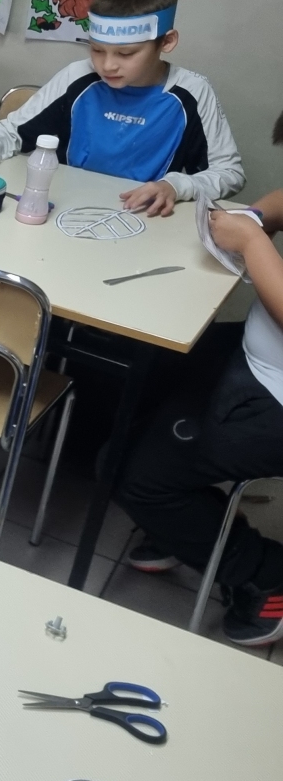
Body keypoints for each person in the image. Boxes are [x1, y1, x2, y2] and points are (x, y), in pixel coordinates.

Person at [116, 144, 283, 646]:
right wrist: (254, 218)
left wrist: (252, 242)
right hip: (256, 356)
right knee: (138, 377)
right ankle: (189, 528)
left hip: (273, 396)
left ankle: (266, 575)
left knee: (137, 479)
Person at [0, 0, 242, 217]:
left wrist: (175, 186)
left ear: (167, 42)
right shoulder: (78, 76)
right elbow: (13, 132)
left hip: (141, 219)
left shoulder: (192, 92)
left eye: (126, 54)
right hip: (65, 208)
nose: (107, 65)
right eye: (96, 49)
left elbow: (230, 174)